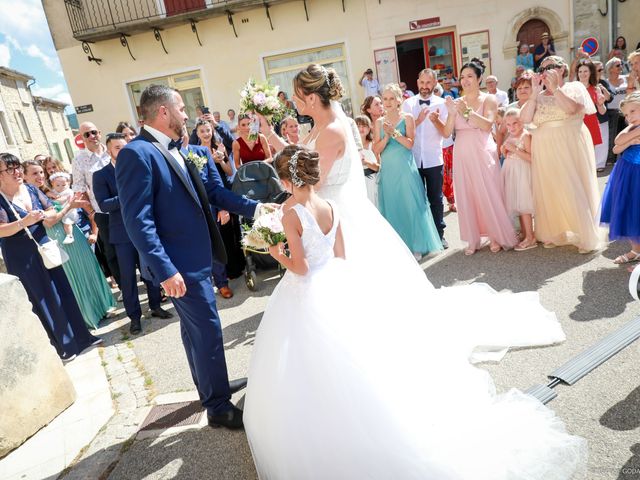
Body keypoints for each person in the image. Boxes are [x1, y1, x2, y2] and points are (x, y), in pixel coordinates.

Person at [250, 64, 585, 480]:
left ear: (314, 97)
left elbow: (304, 177)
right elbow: (296, 163)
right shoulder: (318, 124)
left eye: (299, 96)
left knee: (351, 307)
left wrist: (282, 213)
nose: (296, 102)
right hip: (318, 217)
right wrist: (268, 131)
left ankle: (358, 380)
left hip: (333, 222)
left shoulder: (334, 130)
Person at [115, 85, 264, 430]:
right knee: (208, 331)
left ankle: (210, 387)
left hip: (196, 258)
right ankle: (218, 407)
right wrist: (165, 270)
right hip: (178, 265)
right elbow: (138, 220)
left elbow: (212, 193)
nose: (187, 115)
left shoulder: (179, 150)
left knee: (193, 331)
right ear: (163, 112)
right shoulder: (137, 153)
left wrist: (256, 208)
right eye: (181, 108)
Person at [0, 153, 103, 361]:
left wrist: (48, 213)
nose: (17, 171)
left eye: (17, 167)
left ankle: (82, 338)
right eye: (10, 169)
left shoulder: (30, 189)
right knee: (44, 299)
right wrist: (25, 221)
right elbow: (1, 230)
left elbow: (50, 211)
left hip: (45, 247)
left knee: (63, 291)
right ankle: (63, 347)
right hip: (21, 256)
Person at [520, 55, 603, 252]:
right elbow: (524, 118)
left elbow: (572, 109)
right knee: (550, 187)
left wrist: (555, 88)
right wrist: (533, 94)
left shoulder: (574, 88)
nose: (546, 72)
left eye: (551, 67)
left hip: (569, 142)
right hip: (544, 146)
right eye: (543, 69)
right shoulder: (537, 95)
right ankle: (555, 231)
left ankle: (584, 233)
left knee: (573, 184)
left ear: (562, 69)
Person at [93, 133, 172, 335]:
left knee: (151, 271)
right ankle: (134, 317)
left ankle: (155, 306)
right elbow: (103, 205)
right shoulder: (100, 175)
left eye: (124, 146)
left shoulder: (137, 168)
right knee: (128, 279)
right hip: (122, 234)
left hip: (145, 229)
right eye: (117, 147)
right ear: (109, 150)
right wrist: (127, 195)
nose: (122, 150)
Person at [23, 160, 116, 329]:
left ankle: (103, 307)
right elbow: (48, 223)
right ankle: (89, 315)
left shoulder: (48, 191)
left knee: (89, 268)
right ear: (25, 176)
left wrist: (74, 206)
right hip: (57, 237)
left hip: (75, 234)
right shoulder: (29, 196)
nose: (40, 176)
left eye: (41, 172)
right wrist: (70, 206)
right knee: (75, 276)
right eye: (34, 174)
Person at [438, 60, 517, 255]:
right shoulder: (455, 101)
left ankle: (495, 235)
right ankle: (473, 238)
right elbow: (447, 133)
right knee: (467, 194)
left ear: (479, 78)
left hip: (482, 149)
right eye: (462, 77)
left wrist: (466, 111)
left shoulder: (488, 99)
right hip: (462, 151)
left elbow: (487, 125)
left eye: (470, 76)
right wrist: (448, 114)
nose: (465, 80)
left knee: (488, 191)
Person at [374, 83, 442, 258]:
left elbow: (410, 144)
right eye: (385, 99)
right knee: (393, 206)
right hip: (388, 169)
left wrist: (395, 132)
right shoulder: (379, 122)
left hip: (405, 167)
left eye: (391, 98)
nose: (388, 102)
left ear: (399, 100)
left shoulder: (408, 118)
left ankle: (417, 246)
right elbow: (376, 149)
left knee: (411, 205)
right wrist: (387, 135)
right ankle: (400, 247)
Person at [194, 119, 246, 297]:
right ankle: (219, 280)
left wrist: (222, 160)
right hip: (206, 200)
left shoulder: (220, 146)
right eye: (202, 131)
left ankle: (232, 271)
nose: (206, 134)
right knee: (214, 240)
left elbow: (230, 172)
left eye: (208, 130)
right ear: (197, 133)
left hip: (223, 192)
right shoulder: (194, 151)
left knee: (228, 235)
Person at [402, 69, 449, 247]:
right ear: (417, 82)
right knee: (417, 199)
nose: (424, 86)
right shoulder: (408, 104)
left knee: (436, 199)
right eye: (422, 83)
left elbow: (445, 133)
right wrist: (419, 119)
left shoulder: (442, 104)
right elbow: (405, 130)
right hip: (412, 158)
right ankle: (422, 236)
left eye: (428, 83)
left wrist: (436, 120)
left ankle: (439, 234)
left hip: (433, 158)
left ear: (434, 83)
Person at [72, 121, 121, 288]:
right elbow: (79, 189)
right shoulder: (79, 159)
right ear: (82, 138)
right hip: (103, 213)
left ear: (99, 133)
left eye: (94, 132)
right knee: (112, 253)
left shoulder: (112, 151)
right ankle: (124, 288)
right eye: (87, 134)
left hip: (125, 208)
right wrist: (91, 212)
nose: (92, 136)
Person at [600, 92, 640, 264]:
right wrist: (629, 142)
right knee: (629, 210)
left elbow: (619, 142)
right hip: (628, 171)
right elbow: (616, 145)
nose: (629, 116)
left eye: (633, 111)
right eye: (626, 114)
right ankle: (636, 250)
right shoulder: (632, 127)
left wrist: (625, 141)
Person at [500, 108, 536, 251]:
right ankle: (525, 233)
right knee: (518, 206)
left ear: (522, 122)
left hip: (522, 173)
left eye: (515, 123)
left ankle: (530, 237)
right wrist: (505, 150)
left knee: (524, 205)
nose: (511, 127)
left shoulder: (526, 136)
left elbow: (531, 158)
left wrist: (514, 149)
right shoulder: (509, 135)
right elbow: (507, 153)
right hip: (512, 172)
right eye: (508, 125)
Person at [574, 59, 606, 147]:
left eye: (585, 71)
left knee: (590, 155)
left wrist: (600, 104)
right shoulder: (573, 88)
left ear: (591, 72)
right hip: (577, 124)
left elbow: (602, 112)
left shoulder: (596, 89)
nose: (582, 74)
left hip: (592, 123)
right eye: (580, 71)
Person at [605, 57, 629, 163]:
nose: (621, 67)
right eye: (618, 65)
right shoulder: (605, 82)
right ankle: (611, 158)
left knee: (627, 135)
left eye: (621, 64)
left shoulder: (626, 78)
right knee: (613, 137)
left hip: (626, 112)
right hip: (611, 112)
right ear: (610, 69)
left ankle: (626, 157)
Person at [48, 171, 78, 244]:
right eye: (57, 185)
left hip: (69, 212)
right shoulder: (54, 191)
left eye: (63, 185)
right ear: (52, 184)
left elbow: (62, 200)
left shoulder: (69, 192)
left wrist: (54, 200)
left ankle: (69, 235)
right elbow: (48, 194)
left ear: (68, 183)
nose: (61, 187)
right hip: (59, 211)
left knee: (67, 222)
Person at [355, 115, 379, 205]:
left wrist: (365, 162)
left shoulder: (372, 145)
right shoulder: (351, 146)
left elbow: (378, 167)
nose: (361, 129)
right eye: (358, 126)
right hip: (358, 182)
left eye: (364, 126)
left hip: (372, 182)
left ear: (369, 129)